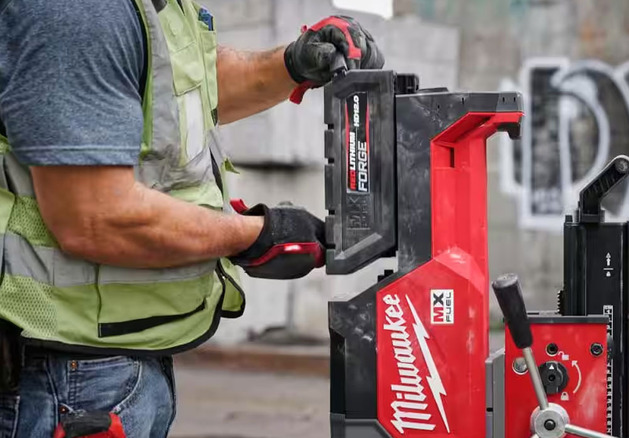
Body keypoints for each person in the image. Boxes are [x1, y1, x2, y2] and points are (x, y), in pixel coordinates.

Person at [0, 0, 384, 436]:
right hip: (64, 372)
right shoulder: (82, 11)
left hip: (120, 351)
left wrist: (293, 63)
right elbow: (93, 217)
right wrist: (254, 235)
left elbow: (168, 88)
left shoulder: (156, 9)